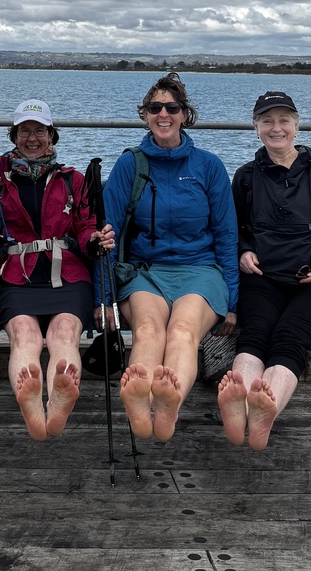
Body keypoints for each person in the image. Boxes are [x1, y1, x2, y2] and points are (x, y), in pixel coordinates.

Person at [218, 90, 311, 450]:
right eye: (267, 121)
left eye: (283, 120)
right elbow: (229, 230)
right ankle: (239, 404)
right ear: (256, 128)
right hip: (265, 280)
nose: (276, 128)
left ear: (296, 125)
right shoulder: (245, 178)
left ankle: (265, 407)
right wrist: (243, 251)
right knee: (254, 335)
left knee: (289, 336)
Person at [100, 73, 238, 442]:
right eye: (155, 107)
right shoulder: (130, 164)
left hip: (200, 271)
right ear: (145, 115)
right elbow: (106, 238)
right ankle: (140, 406)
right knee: (148, 330)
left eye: (172, 107)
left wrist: (233, 301)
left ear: (184, 114)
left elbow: (227, 236)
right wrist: (104, 299)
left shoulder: (208, 166)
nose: (164, 114)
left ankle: (167, 406)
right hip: (146, 271)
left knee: (182, 332)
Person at [0, 99, 114, 441]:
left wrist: (93, 240)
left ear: (52, 135)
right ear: (14, 136)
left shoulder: (74, 180)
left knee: (64, 333)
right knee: (24, 334)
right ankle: (31, 401)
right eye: (24, 131)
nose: (31, 138)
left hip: (69, 276)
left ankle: (61, 395)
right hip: (16, 279)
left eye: (39, 131)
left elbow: (84, 229)